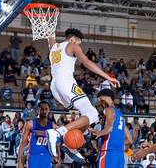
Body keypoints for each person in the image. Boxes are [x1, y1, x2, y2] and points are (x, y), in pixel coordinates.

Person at [46, 28, 119, 159]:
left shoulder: (54, 47)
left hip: (54, 86)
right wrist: (107, 77)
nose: (79, 45)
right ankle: (58, 133)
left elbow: (51, 38)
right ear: (73, 39)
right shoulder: (72, 45)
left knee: (87, 115)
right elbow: (86, 62)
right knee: (92, 113)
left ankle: (68, 144)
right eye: (79, 43)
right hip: (66, 82)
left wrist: (50, 30)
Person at [89, 89, 132, 168]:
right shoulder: (120, 115)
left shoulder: (108, 109)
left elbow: (109, 128)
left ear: (105, 98)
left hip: (108, 152)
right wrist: (117, 144)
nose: (99, 102)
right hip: (119, 154)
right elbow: (129, 140)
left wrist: (100, 133)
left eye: (99, 99)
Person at [17, 101, 56, 168]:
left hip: (46, 157)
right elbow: (23, 143)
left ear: (49, 110)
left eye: (46, 109)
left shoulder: (53, 126)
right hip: (33, 156)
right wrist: (19, 161)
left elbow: (57, 143)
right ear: (38, 110)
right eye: (42, 109)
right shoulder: (30, 124)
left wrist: (57, 156)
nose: (44, 111)